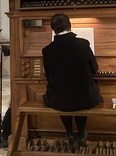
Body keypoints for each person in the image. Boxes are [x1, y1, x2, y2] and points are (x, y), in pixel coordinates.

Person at [42, 13, 103, 145]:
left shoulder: (47, 50)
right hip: (85, 98)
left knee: (62, 94)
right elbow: (94, 69)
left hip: (59, 99)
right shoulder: (83, 44)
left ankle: (69, 132)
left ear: (53, 29)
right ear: (70, 26)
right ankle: (81, 133)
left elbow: (48, 75)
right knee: (83, 90)